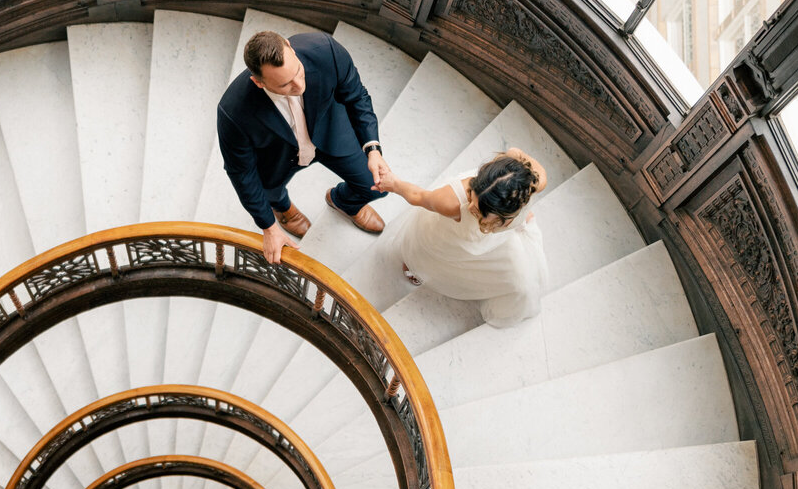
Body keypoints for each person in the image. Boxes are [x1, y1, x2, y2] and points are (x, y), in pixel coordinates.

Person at [218, 30, 392, 263]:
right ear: (258, 82)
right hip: (277, 156)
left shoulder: (325, 50)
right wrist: (268, 227)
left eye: (298, 71)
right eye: (285, 84)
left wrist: (373, 150)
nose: (299, 85)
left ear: (289, 47)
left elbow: (356, 96)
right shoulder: (233, 112)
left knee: (376, 184)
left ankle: (342, 201)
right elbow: (241, 173)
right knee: (270, 192)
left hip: (330, 132)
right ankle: (283, 210)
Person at [371, 149, 550, 326]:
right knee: (429, 253)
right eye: (472, 197)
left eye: (479, 211)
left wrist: (520, 218)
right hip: (451, 236)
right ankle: (415, 265)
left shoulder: (535, 181)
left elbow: (515, 154)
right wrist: (393, 184)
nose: (470, 207)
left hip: (496, 239)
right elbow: (420, 196)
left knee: (521, 283)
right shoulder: (451, 203)